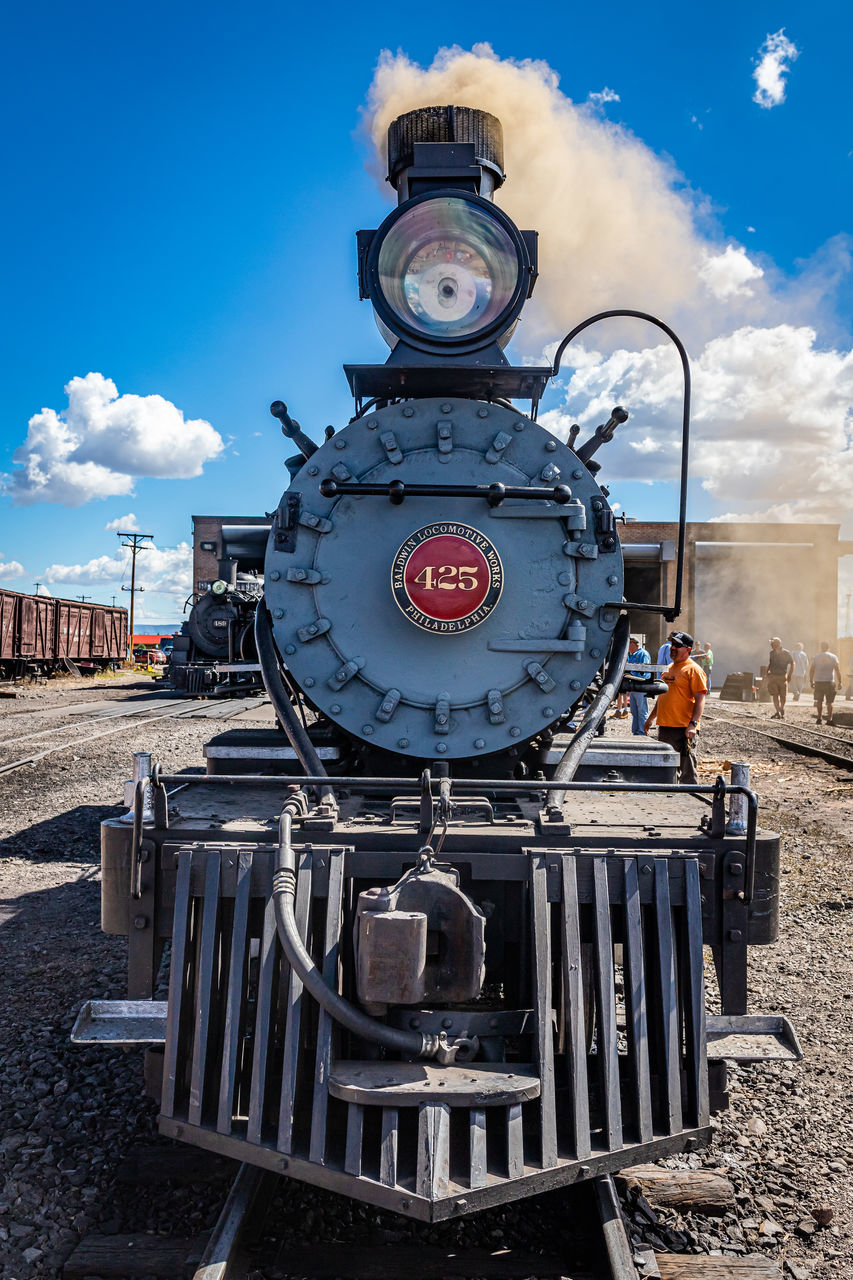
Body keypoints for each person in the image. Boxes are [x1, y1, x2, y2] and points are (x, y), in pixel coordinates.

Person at [645, 630, 707, 784]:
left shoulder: (693, 670)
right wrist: (651, 718)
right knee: (667, 768)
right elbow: (663, 697)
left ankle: (690, 797)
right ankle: (670, 796)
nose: (673, 648)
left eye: (677, 645)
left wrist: (693, 724)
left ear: (688, 650)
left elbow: (700, 699)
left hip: (684, 727)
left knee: (688, 771)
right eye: (672, 644)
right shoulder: (669, 668)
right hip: (666, 726)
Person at [809, 642, 842, 725]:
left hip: (819, 682)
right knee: (830, 702)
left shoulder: (816, 657)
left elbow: (812, 670)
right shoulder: (833, 657)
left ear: (821, 648)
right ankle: (829, 719)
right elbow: (837, 670)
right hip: (829, 681)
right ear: (828, 648)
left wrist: (811, 681)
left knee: (819, 700)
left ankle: (819, 718)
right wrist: (840, 682)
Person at [625, 635, 652, 735]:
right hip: (633, 686)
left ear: (632, 643)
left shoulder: (643, 654)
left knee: (641, 710)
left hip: (640, 685)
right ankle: (636, 730)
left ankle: (642, 731)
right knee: (634, 711)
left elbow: (644, 670)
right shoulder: (632, 654)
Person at [765, 637, 793, 719]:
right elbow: (770, 663)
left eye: (772, 643)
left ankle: (781, 708)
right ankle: (778, 711)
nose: (771, 645)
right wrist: (767, 672)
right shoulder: (772, 653)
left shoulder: (786, 653)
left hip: (782, 676)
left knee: (783, 695)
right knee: (775, 694)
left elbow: (792, 663)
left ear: (777, 644)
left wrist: (789, 675)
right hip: (773, 676)